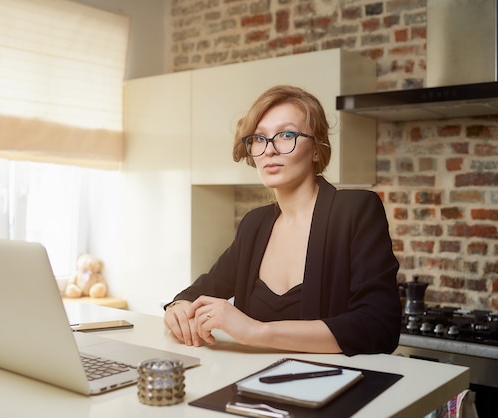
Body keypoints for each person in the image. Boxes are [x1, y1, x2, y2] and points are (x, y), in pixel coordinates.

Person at [164, 85, 401, 355]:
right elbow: (202, 289)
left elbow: (379, 327)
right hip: (251, 388)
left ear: (316, 150)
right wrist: (178, 307)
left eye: (287, 134)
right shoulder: (255, 224)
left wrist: (255, 331)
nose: (269, 150)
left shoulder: (355, 210)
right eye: (259, 138)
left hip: (332, 389)